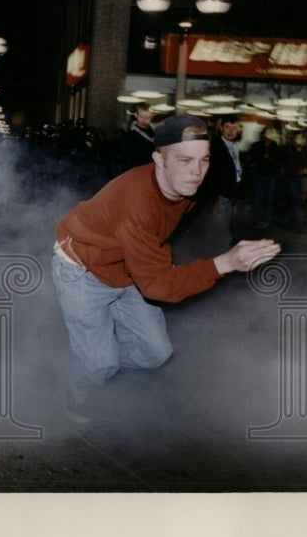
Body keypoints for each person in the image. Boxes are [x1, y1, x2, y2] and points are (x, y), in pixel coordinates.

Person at [51, 115, 281, 424]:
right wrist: (226, 262)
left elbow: (159, 234)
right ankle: (80, 385)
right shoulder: (136, 202)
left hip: (130, 268)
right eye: (185, 160)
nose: (196, 171)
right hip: (83, 270)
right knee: (99, 364)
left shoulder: (188, 185)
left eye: (204, 160)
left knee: (155, 354)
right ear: (158, 160)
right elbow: (158, 286)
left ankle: (96, 356)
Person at [199, 113, 246, 244]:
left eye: (234, 127)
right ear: (221, 128)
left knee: (226, 231)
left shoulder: (235, 146)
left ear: (239, 130)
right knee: (218, 235)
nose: (231, 131)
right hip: (219, 197)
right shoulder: (215, 146)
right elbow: (208, 174)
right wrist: (213, 199)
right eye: (227, 127)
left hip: (231, 196)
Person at [247, 126, 283, 230]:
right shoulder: (257, 145)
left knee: (270, 199)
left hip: (272, 175)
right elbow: (251, 157)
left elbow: (281, 161)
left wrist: (271, 159)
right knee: (259, 198)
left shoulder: (277, 147)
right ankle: (258, 219)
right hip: (260, 174)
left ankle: (267, 220)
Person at [283, 131, 307, 228]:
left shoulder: (305, 150)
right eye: (298, 138)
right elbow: (289, 163)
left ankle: (287, 218)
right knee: (296, 199)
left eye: (302, 139)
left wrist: (303, 170)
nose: (300, 140)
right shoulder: (290, 149)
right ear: (295, 140)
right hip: (292, 177)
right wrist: (297, 171)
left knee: (297, 199)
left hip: (302, 177)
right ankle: (300, 221)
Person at [119, 102, 155, 171]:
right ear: (136, 115)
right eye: (141, 117)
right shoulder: (129, 137)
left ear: (152, 116)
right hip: (139, 172)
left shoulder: (158, 132)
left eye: (147, 117)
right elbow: (128, 162)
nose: (144, 120)